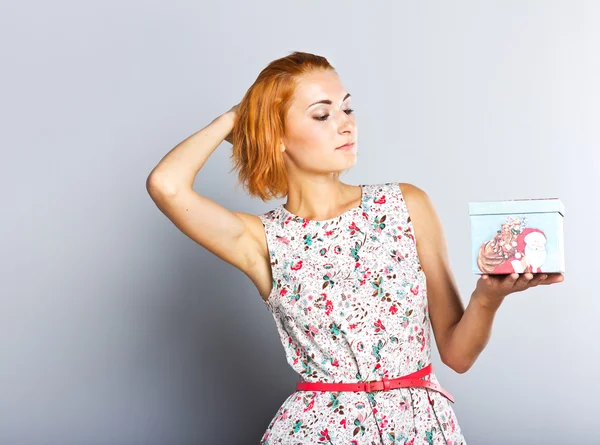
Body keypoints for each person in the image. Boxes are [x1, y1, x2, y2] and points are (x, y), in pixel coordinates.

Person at [145, 51, 564, 444]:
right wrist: (239, 116)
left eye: (346, 108)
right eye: (322, 114)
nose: (345, 124)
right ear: (278, 137)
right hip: (317, 431)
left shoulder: (406, 204)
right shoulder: (261, 239)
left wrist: (487, 297)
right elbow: (166, 185)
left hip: (419, 428)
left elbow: (457, 355)